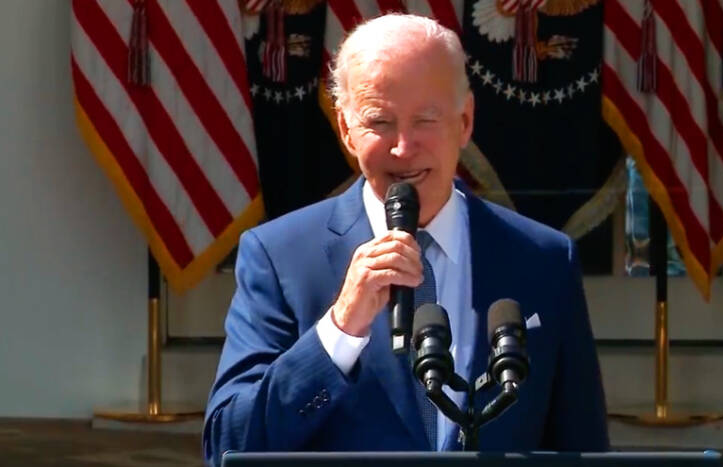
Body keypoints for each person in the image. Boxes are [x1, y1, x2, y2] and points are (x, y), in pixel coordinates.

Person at [203, 14, 608, 465]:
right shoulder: (280, 257)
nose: (402, 147)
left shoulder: (543, 260)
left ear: (465, 121)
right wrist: (338, 330)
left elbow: (583, 450)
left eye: (425, 120)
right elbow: (227, 444)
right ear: (346, 130)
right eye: (380, 122)